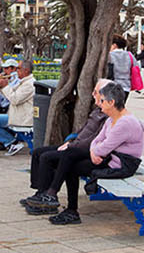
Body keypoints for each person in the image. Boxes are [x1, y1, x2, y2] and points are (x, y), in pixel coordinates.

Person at [45, 84, 144, 225]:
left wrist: (95, 150)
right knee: (71, 158)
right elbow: (97, 140)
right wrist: (93, 151)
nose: (99, 104)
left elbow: (104, 147)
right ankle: (64, 204)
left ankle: (60, 200)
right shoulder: (111, 119)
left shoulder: (125, 123)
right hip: (109, 158)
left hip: (122, 165)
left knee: (71, 164)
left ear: (111, 102)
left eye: (102, 101)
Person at [22, 79, 112, 214]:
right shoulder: (97, 111)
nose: (93, 94)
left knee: (48, 157)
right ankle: (41, 191)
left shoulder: (106, 116)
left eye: (96, 92)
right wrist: (70, 140)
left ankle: (50, 197)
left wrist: (72, 145)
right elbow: (83, 130)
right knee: (38, 152)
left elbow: (93, 139)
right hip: (75, 144)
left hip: (84, 150)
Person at [0, 59, 33, 159]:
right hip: (15, 115)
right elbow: (7, 96)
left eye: (18, 68)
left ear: (26, 71)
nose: (17, 71)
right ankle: (11, 143)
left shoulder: (29, 84)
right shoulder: (22, 82)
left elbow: (15, 99)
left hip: (23, 118)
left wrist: (4, 86)